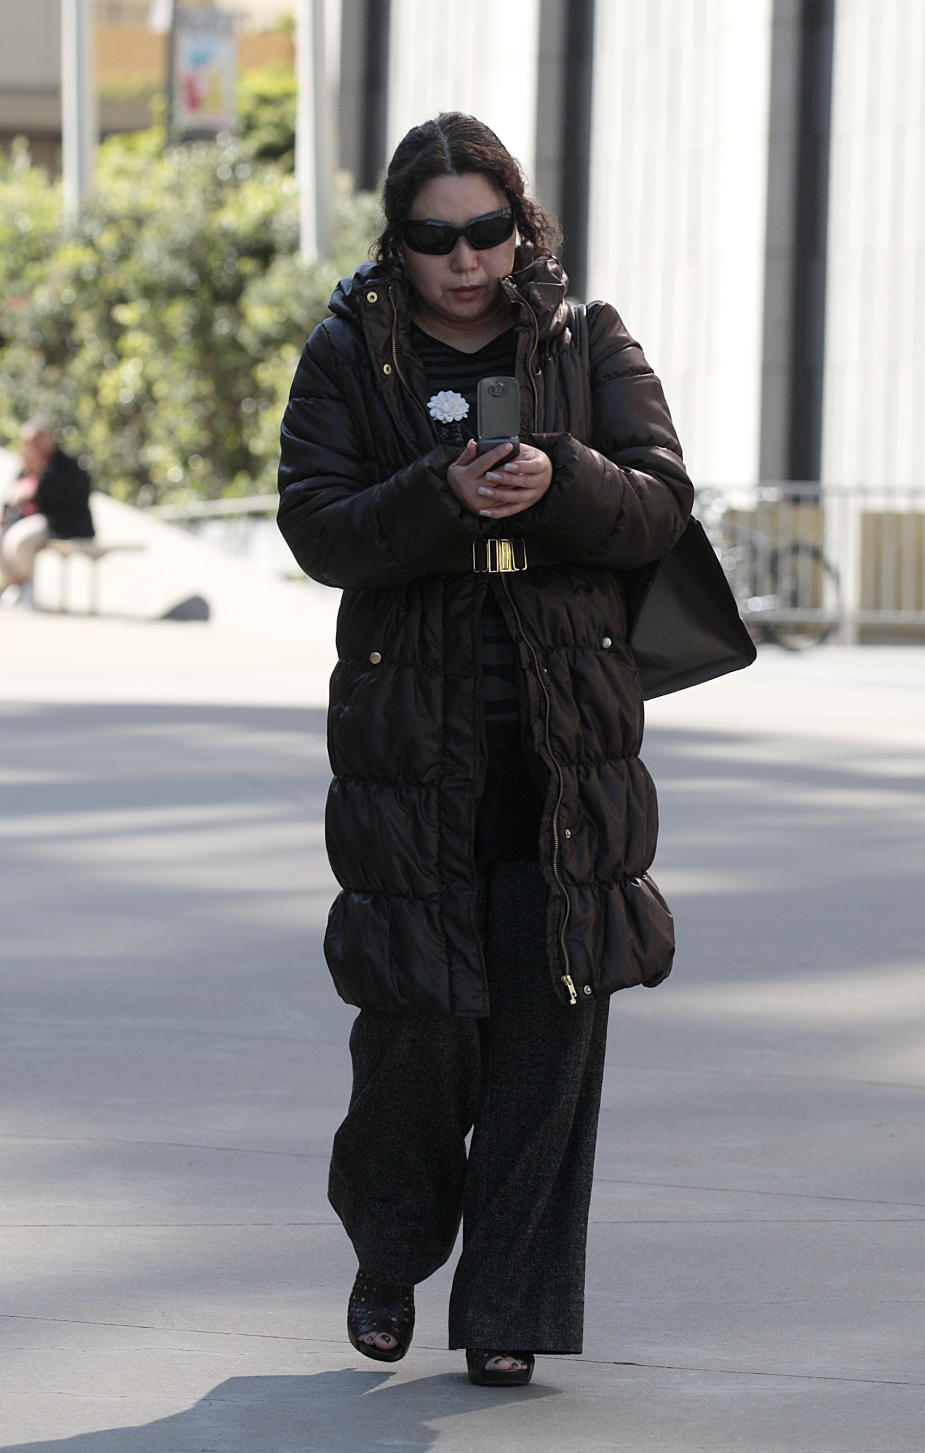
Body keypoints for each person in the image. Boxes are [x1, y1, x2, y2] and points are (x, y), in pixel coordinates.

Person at [277, 113, 694, 1388]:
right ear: (397, 243)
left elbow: (661, 501)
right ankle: (392, 1250)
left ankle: (509, 1302)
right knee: (415, 1023)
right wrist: (436, 496)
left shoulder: (589, 341)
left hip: (568, 747)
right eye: (434, 237)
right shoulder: (350, 355)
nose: (466, 260)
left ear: (524, 225)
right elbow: (317, 526)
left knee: (550, 1027)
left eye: (488, 230)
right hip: (414, 747)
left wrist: (560, 477)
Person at [0, 422, 95, 609]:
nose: (32, 446)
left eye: (36, 441)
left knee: (21, 540)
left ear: (49, 439)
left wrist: (41, 475)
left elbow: (67, 498)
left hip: (59, 524)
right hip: (23, 519)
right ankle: (14, 583)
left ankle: (23, 584)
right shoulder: (26, 466)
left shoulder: (66, 465)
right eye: (28, 442)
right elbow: (13, 496)